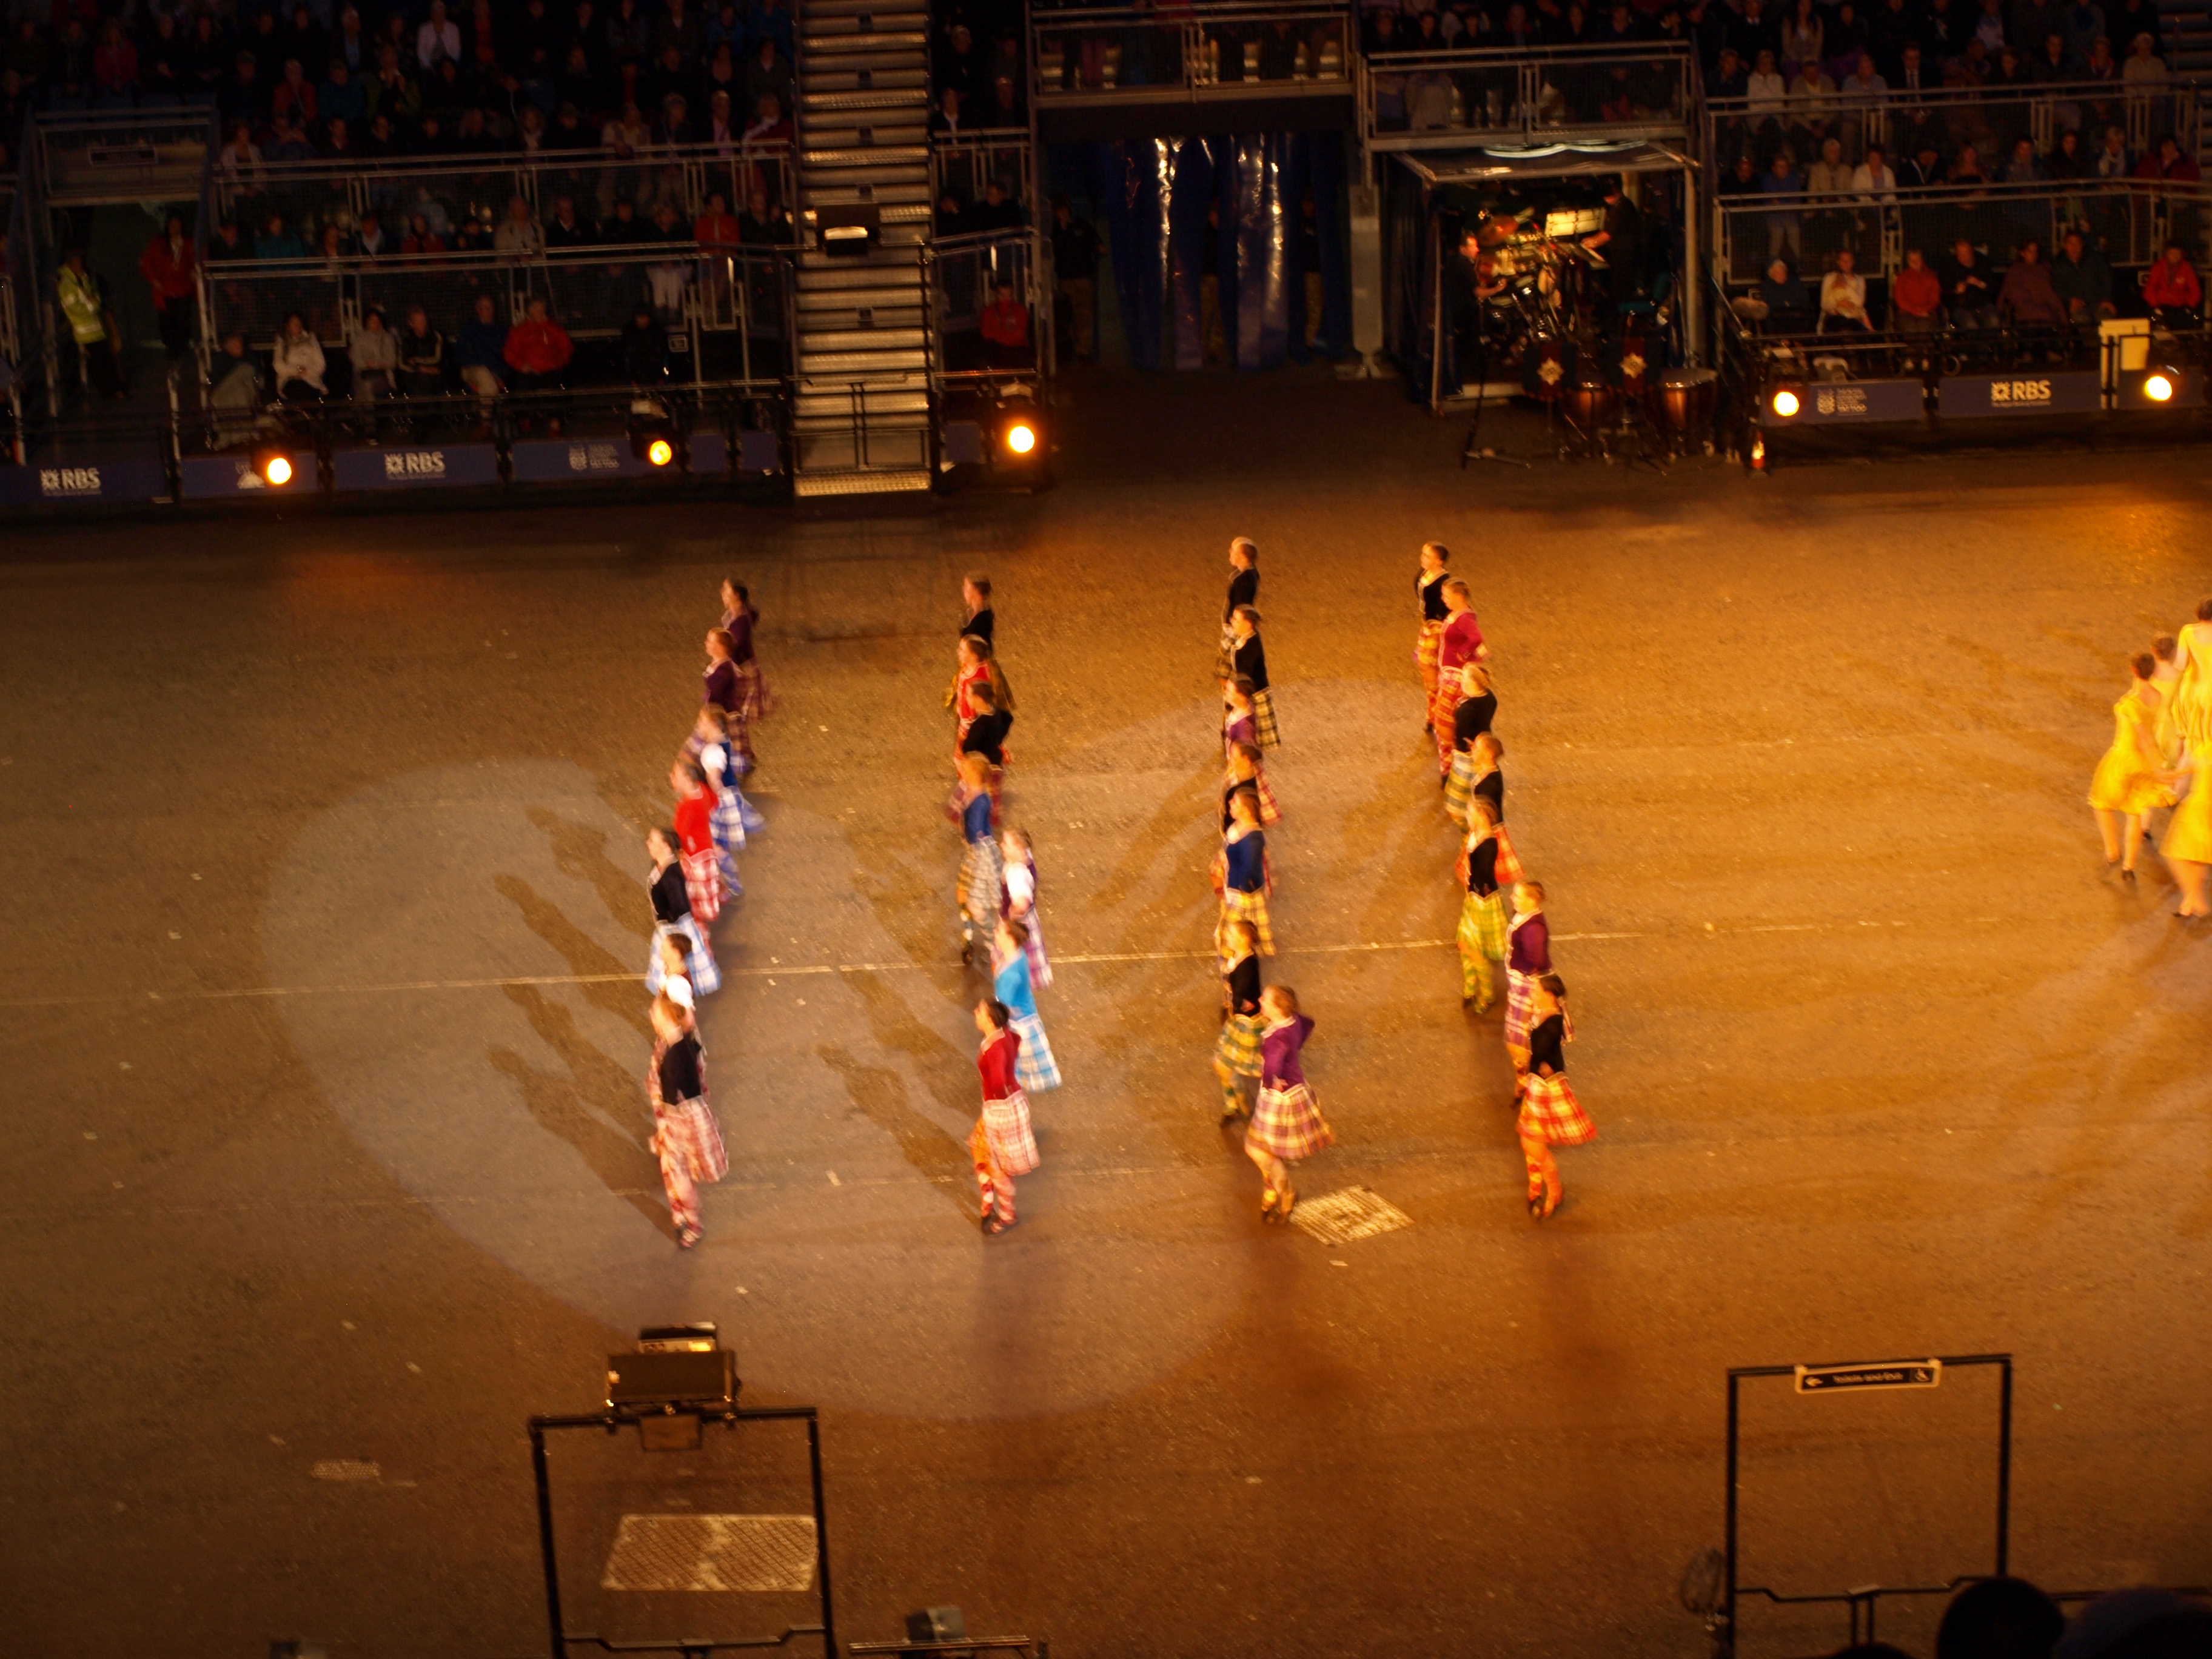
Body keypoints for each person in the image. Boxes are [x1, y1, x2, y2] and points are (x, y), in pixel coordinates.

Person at [1245, 985, 1332, 1222]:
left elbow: (1272, 1066)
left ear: (1277, 1008)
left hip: (1279, 1099)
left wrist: (1272, 1079)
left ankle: (1285, 1193)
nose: (1260, 999)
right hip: (1294, 1091)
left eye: (1265, 999)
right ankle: (1272, 1190)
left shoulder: (1277, 1039)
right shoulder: (1293, 1021)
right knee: (1266, 1149)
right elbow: (1308, 1024)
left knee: (1258, 1150)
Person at [646, 993, 726, 1249]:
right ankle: (684, 1215)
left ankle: (692, 1223)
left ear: (668, 1017)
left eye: (656, 1012)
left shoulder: (674, 1054)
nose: (651, 1015)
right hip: (686, 1114)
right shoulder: (681, 1040)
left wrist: (664, 1128)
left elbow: (671, 1098)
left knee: (679, 1172)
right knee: (673, 1167)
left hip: (682, 1118)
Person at [2090, 652, 2175, 881]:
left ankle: (2112, 851)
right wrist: (2157, 765)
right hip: (2145, 763)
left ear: (2132, 670)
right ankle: (2129, 867)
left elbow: (2144, 737)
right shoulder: (2157, 696)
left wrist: (2158, 768)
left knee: (2101, 803)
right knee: (2135, 811)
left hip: (2124, 759)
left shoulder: (2130, 703)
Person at [1518, 975, 1595, 1220]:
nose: (1532, 993)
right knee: (1529, 1141)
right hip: (1539, 1085)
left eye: (1536, 990)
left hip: (1546, 1090)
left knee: (1534, 1144)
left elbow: (1540, 1053)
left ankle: (1553, 1192)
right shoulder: (1549, 1014)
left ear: (1549, 995)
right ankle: (1538, 1189)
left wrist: (1527, 1066)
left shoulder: (1552, 1023)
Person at [970, 997, 1038, 1236]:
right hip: (1005, 1105)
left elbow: (998, 1081)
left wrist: (998, 1097)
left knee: (999, 1168)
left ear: (989, 1020)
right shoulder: (1003, 1034)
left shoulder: (996, 1047)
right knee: (979, 1147)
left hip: (1001, 1111)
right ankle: (989, 1201)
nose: (975, 1013)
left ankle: (1005, 1215)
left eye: (980, 1011)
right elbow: (1016, 1041)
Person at [645, 824, 721, 998]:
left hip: (674, 929)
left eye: (652, 841)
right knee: (679, 967)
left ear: (665, 846)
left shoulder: (671, 876)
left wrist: (668, 929)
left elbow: (680, 907)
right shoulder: (660, 866)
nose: (648, 844)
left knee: (677, 967)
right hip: (670, 927)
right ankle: (671, 996)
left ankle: (676, 1000)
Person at [993, 916, 1061, 1094]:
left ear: (1010, 939)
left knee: (1011, 1076)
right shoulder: (1019, 955)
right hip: (1028, 1019)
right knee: (1016, 1077)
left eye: (1000, 931)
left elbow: (1002, 1010)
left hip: (1019, 1029)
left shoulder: (1009, 975)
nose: (995, 933)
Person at [1458, 799, 1510, 1011]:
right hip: (1474, 899)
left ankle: (1486, 995)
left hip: (1484, 903)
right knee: (1464, 944)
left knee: (1472, 948)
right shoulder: (1476, 835)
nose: (1467, 817)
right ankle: (1471, 986)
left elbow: (1484, 875)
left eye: (1471, 813)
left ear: (1483, 816)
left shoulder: (1489, 843)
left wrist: (1473, 891)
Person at [715, 580, 773, 769]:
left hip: (743, 672)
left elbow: (734, 645)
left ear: (737, 596)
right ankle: (742, 754)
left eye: (727, 591)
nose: (723, 594)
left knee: (733, 713)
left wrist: (719, 659)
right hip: (740, 669)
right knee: (734, 714)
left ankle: (742, 755)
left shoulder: (740, 620)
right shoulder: (737, 615)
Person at [1431, 578, 1486, 776]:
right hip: (1448, 670)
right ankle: (1449, 765)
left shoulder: (1465, 619)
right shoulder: (1457, 614)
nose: (1444, 599)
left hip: (1454, 675)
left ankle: (1451, 766)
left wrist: (1462, 655)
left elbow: (1477, 639)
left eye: (1447, 596)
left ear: (1459, 597)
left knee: (1445, 722)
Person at [955, 749, 1003, 965]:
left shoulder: (981, 800)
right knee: (963, 895)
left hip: (980, 855)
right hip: (975, 853)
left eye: (965, 769)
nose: (962, 772)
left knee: (974, 902)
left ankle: (992, 940)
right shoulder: (973, 792)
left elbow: (976, 831)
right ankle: (969, 939)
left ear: (974, 773)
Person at [1215, 917, 1265, 1120]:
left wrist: (1234, 1005)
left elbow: (1243, 996)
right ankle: (1234, 1102)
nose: (1227, 936)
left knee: (1223, 1065)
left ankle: (1239, 1101)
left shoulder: (1248, 965)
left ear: (1244, 939)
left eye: (1231, 934)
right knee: (1222, 1064)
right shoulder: (1239, 957)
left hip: (1246, 1024)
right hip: (1238, 1020)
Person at [1504, 879, 1552, 1091]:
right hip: (1522, 982)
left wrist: (1523, 974)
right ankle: (1524, 1076)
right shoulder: (1525, 917)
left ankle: (1526, 1078)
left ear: (1532, 901)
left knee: (1520, 1035)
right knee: (1521, 1033)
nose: (1512, 898)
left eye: (1518, 896)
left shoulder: (1534, 929)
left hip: (1528, 986)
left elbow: (1538, 961)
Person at [57, 250, 123, 401]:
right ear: (71, 264)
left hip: (96, 329)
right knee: (99, 363)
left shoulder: (82, 279)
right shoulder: (66, 285)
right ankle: (109, 391)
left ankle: (113, 389)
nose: (81, 265)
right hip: (86, 333)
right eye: (78, 263)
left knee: (105, 360)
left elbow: (94, 296)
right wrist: (93, 305)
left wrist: (93, 302)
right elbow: (79, 308)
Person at [670, 758, 726, 927]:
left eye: (675, 775)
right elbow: (715, 802)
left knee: (696, 887)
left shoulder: (686, 807)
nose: (671, 777)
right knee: (709, 880)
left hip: (694, 855)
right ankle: (721, 895)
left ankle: (700, 918)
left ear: (687, 779)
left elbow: (679, 836)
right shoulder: (702, 789)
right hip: (707, 847)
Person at [1220, 787, 1275, 957]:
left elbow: (1250, 868)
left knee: (1233, 923)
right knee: (1256, 919)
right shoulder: (1238, 827)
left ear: (1246, 810)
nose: (1230, 803)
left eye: (1235, 802)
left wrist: (1244, 888)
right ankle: (1261, 946)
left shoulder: (1252, 840)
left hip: (1242, 891)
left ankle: (1231, 952)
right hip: (1236, 886)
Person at [1443, 665, 1498, 825]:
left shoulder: (1466, 710)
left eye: (1464, 677)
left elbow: (1461, 738)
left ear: (1473, 682)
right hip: (1484, 743)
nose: (1461, 680)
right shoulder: (1490, 697)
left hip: (1467, 754)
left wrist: (1456, 750)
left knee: (1458, 801)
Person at [139, 215, 196, 363]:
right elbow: (146, 262)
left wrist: (195, 271)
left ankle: (180, 352)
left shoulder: (189, 243)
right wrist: (154, 280)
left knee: (183, 323)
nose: (175, 229)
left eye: (178, 225)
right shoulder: (159, 243)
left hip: (184, 290)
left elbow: (198, 260)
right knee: (166, 324)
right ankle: (171, 349)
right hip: (165, 291)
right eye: (172, 225)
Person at [999, 826, 1050, 988]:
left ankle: (1008, 999)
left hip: (1018, 925)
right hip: (1029, 921)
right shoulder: (1026, 858)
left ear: (1019, 848)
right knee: (1022, 967)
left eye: (1006, 844)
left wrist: (1010, 917)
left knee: (1009, 963)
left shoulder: (1017, 873)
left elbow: (1022, 903)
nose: (1002, 846)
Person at [1051, 195, 1099, 362]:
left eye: (1064, 209)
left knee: (1084, 315)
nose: (1062, 213)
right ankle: (1069, 349)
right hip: (1066, 278)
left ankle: (1083, 351)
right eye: (1058, 210)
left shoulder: (1082, 225)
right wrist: (1063, 229)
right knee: (1068, 315)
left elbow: (1099, 246)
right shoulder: (1054, 229)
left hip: (1084, 277)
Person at [503, 294, 574, 406]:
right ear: (529, 310)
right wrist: (521, 365)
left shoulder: (554, 328)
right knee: (523, 389)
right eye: (536, 309)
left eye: (542, 309)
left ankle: (554, 419)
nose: (540, 312)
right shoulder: (519, 331)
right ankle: (526, 418)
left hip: (550, 370)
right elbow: (510, 352)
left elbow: (566, 348)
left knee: (552, 390)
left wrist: (558, 363)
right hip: (528, 371)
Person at [1228, 606, 1281, 749]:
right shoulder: (1243, 638)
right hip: (1244, 690)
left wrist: (1238, 691)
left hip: (1254, 694)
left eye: (1237, 620)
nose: (1232, 621)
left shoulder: (1252, 645)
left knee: (1252, 729)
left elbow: (1246, 673)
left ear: (1248, 624)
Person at [1414, 541, 1450, 720]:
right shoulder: (1423, 574)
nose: (1423, 558)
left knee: (1428, 663)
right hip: (1427, 625)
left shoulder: (1444, 582)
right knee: (1426, 667)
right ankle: (1434, 706)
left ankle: (1435, 707)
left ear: (1439, 561)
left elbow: (1446, 608)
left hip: (1437, 626)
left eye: (1428, 556)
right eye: (1423, 554)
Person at [454, 292, 508, 404]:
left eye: (490, 308)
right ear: (478, 310)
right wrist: (482, 363)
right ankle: (492, 413)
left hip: (495, 371)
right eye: (484, 308)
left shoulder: (501, 331)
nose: (488, 311)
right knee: (483, 374)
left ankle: (486, 416)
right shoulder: (469, 330)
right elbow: (461, 355)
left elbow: (504, 356)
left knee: (487, 381)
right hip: (472, 369)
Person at [2051, 229, 2116, 321]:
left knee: (2106, 319)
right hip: (2078, 305)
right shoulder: (2059, 264)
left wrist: (2107, 299)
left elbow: (2107, 280)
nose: (2075, 248)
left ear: (2082, 245)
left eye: (2077, 243)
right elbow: (2057, 286)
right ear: (2065, 245)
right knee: (2082, 320)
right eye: (2071, 244)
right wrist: (2070, 299)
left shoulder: (2095, 259)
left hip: (2099, 303)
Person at [1219, 538, 1260, 680]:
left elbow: (1240, 607)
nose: (1230, 553)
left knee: (1224, 671)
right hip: (1237, 626)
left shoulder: (1245, 580)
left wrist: (1233, 626)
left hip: (1235, 628)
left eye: (1234, 551)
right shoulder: (1251, 574)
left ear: (1243, 557)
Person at [1941, 237, 1999, 328]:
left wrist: (1979, 283)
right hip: (1962, 308)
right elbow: (1945, 292)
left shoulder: (1982, 263)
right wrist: (1956, 291)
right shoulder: (1950, 267)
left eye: (1966, 254)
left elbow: (1994, 288)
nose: (1963, 257)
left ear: (1972, 251)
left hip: (1983, 305)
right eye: (1960, 254)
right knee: (1971, 326)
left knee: (1994, 322)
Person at [2142, 241, 2202, 327]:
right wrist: (2155, 306)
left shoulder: (2187, 268)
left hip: (2181, 307)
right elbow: (2149, 290)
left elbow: (2195, 290)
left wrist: (2190, 306)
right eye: (2172, 253)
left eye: (2178, 253)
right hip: (2162, 305)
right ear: (2167, 254)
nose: (2175, 256)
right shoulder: (2159, 267)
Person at [273, 312, 327, 401]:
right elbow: (278, 365)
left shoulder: (311, 339)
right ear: (288, 327)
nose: (298, 326)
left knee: (307, 391)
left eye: (299, 323)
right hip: (289, 380)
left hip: (311, 380)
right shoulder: (282, 342)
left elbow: (321, 364)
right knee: (296, 389)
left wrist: (307, 371)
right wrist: (296, 371)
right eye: (294, 324)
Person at [979, 276, 1031, 367]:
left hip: (1017, 349)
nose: (1006, 299)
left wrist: (998, 335)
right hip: (998, 350)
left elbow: (1020, 333)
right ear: (996, 294)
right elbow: (986, 334)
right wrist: (1006, 336)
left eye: (1009, 295)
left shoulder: (1020, 310)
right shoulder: (989, 312)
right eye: (1003, 296)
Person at [349, 307, 398, 401]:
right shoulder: (359, 340)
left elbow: (392, 362)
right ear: (367, 321)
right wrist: (367, 364)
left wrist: (378, 364)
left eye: (377, 320)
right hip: (364, 374)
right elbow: (356, 359)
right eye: (372, 320)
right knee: (366, 385)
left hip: (384, 375)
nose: (375, 323)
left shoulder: (387, 338)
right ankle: (370, 412)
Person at [397, 305, 447, 396]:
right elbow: (402, 364)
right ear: (411, 324)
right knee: (422, 379)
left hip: (434, 373)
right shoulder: (406, 339)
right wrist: (420, 369)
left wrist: (416, 362)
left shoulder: (435, 336)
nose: (422, 324)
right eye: (418, 322)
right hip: (412, 375)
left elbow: (437, 359)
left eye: (424, 321)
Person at [1892, 248, 1944, 335]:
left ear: (1922, 260)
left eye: (1917, 260)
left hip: (1928, 313)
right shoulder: (1902, 278)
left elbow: (1935, 299)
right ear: (1908, 262)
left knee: (1925, 327)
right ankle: (1911, 349)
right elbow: (1900, 300)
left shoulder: (1932, 276)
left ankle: (1926, 348)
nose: (1915, 263)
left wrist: (1924, 310)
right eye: (1912, 260)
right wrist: (1916, 311)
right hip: (1906, 313)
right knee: (1910, 327)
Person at [1820, 247, 1873, 329]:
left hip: (1854, 318)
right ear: (1839, 262)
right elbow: (1824, 304)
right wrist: (1839, 303)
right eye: (1843, 260)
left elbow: (1860, 303)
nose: (1845, 263)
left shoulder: (1860, 281)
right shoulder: (1830, 278)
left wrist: (1846, 286)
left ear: (1853, 262)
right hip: (1835, 318)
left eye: (1848, 261)